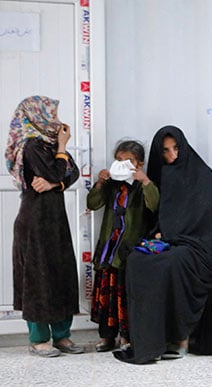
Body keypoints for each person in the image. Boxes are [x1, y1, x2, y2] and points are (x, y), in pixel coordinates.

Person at [113, 125, 212, 364]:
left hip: (197, 244)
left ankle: (180, 338)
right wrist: (160, 233)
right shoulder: (158, 173)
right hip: (166, 240)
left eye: (175, 149)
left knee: (174, 262)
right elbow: (155, 215)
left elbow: (206, 221)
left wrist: (172, 233)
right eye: (165, 151)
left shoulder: (201, 173)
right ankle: (147, 340)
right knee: (137, 260)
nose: (172, 156)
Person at [5, 95, 83, 357]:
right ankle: (39, 339)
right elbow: (59, 170)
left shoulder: (49, 147)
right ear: (37, 116)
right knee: (37, 279)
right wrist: (61, 151)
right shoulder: (31, 147)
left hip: (55, 222)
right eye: (51, 114)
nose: (57, 120)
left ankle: (62, 336)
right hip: (34, 223)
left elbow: (71, 172)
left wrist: (54, 184)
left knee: (61, 275)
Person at [87, 139, 159, 352]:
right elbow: (92, 203)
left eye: (128, 161)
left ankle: (126, 336)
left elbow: (155, 205)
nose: (122, 165)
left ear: (139, 164)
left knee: (124, 295)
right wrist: (100, 183)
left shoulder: (142, 186)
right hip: (108, 249)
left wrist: (145, 181)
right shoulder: (111, 186)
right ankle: (106, 337)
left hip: (127, 251)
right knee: (106, 295)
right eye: (118, 160)